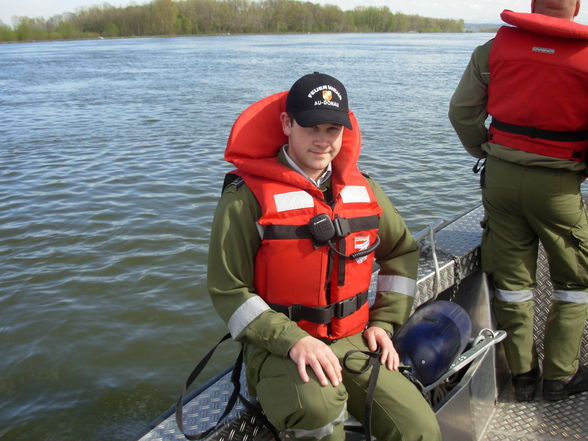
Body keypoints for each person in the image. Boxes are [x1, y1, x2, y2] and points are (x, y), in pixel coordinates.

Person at [207, 72, 441, 441]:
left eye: (333, 129)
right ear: (287, 124)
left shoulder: (365, 189)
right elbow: (228, 289)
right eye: (311, 126)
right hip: (280, 347)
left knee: (420, 427)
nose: (322, 140)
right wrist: (292, 340)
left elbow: (401, 251)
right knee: (318, 411)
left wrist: (385, 322)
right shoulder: (245, 196)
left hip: (354, 339)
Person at [449, 0, 588, 402]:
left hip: (501, 181)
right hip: (560, 185)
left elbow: (461, 111)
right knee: (575, 282)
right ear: (576, 7)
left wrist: (485, 150)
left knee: (512, 283)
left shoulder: (493, 49)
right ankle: (559, 377)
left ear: (531, 4)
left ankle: (523, 376)